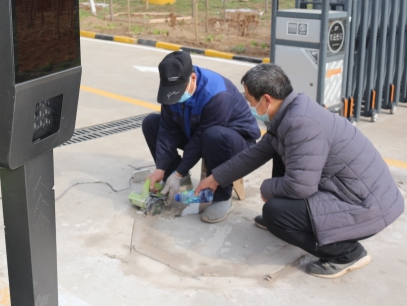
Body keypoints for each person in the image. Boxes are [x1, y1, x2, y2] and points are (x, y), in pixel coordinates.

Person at [197, 64, 404, 279]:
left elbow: (299, 187)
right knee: (278, 152)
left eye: (250, 100)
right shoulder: (291, 112)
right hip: (354, 189)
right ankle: (295, 215)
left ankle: (347, 253)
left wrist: (267, 189)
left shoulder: (300, 124)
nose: (249, 105)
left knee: (275, 214)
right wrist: (215, 178)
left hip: (367, 204)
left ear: (266, 99)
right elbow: (257, 152)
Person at [141, 51, 261, 223]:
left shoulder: (217, 94)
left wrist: (178, 173)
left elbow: (200, 139)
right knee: (151, 123)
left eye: (178, 91)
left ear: (193, 78)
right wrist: (161, 167)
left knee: (213, 136)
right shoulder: (170, 92)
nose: (175, 96)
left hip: (234, 142)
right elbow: (167, 128)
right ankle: (179, 184)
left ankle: (222, 198)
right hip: (198, 134)